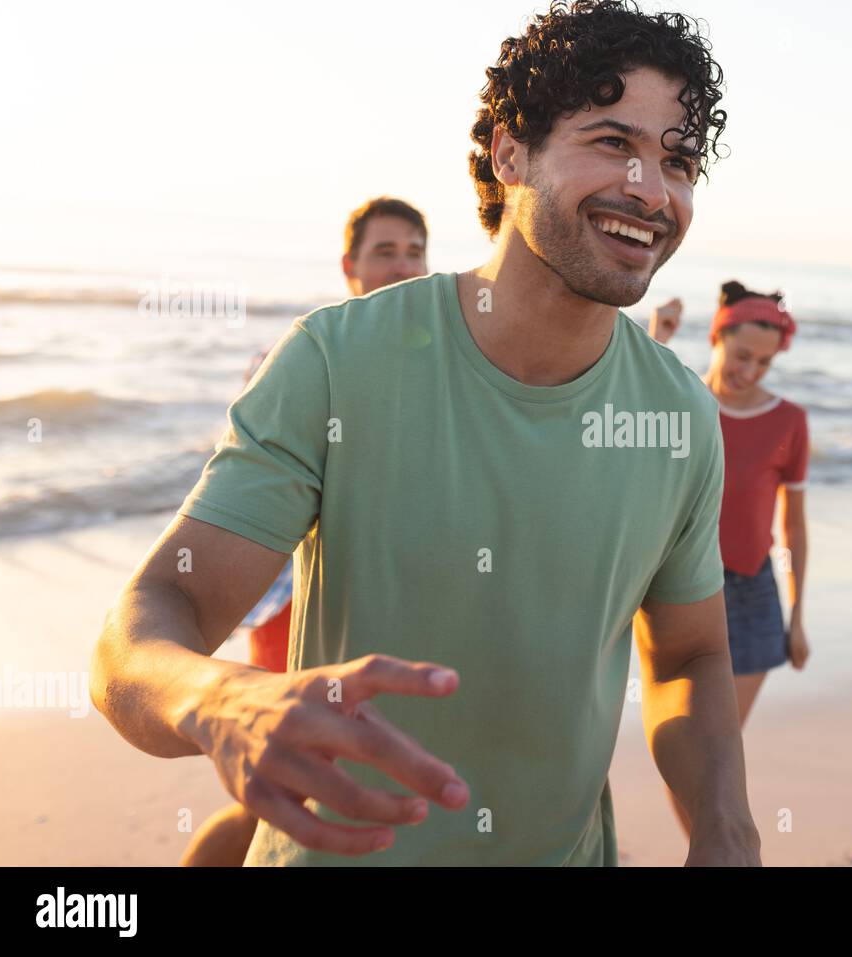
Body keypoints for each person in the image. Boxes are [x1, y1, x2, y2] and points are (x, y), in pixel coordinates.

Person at [92, 0, 762, 866]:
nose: (649, 187)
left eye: (676, 160)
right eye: (612, 141)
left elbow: (689, 657)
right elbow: (138, 635)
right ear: (510, 152)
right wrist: (222, 700)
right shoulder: (336, 359)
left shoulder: (678, 415)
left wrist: (726, 828)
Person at [179, 197, 429, 866]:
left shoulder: (435, 360)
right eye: (386, 252)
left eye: (414, 251)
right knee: (277, 792)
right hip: (295, 600)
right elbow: (254, 485)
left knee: (352, 777)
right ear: (350, 267)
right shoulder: (303, 353)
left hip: (384, 600)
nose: (404, 266)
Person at [648, 282, 810, 839]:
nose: (752, 370)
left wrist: (798, 616)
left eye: (764, 362)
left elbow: (792, 525)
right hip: (676, 592)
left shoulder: (789, 421)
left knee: (718, 753)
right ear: (717, 337)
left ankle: (711, 849)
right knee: (683, 747)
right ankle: (714, 849)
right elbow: (626, 434)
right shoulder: (682, 399)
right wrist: (655, 338)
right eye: (742, 355)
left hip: (754, 595)